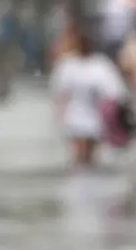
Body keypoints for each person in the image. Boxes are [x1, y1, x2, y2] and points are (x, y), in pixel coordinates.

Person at [49, 28, 130, 168]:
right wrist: (59, 117)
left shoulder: (100, 65)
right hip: (74, 117)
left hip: (94, 118)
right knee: (78, 157)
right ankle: (80, 182)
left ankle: (87, 182)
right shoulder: (68, 65)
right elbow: (59, 93)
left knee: (89, 158)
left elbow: (115, 92)